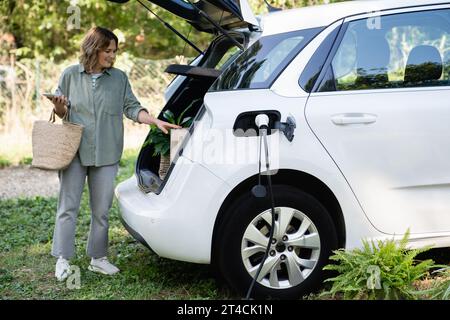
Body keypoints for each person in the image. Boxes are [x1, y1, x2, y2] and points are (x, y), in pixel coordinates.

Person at [49, 26, 180, 281]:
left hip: (106, 152)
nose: (112, 56)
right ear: (93, 49)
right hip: (74, 151)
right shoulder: (69, 76)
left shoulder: (119, 78)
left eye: (114, 51)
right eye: (107, 51)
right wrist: (59, 108)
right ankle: (63, 259)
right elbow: (62, 113)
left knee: (101, 209)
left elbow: (131, 107)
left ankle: (98, 258)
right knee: (68, 206)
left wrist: (153, 120)